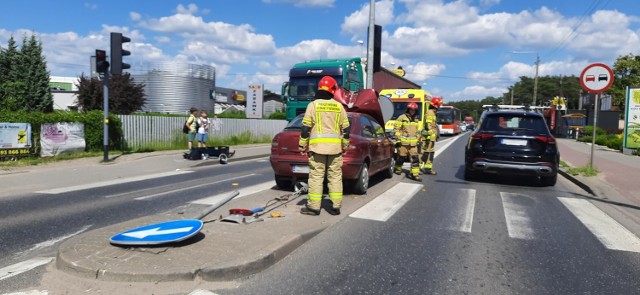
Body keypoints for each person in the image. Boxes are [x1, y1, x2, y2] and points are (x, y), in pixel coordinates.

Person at [298, 76, 350, 216]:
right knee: (335, 177)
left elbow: (305, 128)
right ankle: (335, 206)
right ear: (333, 90)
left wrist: (302, 145)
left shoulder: (313, 105)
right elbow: (346, 129)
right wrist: (345, 145)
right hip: (335, 150)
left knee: (316, 177)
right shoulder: (339, 106)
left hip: (317, 149)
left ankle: (314, 207)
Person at [394, 102, 422, 181]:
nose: (412, 111)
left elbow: (418, 131)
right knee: (401, 158)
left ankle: (415, 174)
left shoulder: (416, 119)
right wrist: (398, 140)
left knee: (415, 159)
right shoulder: (402, 117)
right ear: (408, 109)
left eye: (414, 110)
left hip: (413, 144)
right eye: (411, 109)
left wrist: (418, 139)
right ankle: (398, 169)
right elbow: (397, 129)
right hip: (403, 143)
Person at [420, 96, 442, 175]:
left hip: (432, 137)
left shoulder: (434, 112)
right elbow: (428, 124)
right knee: (424, 153)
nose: (439, 106)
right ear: (435, 105)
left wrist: (436, 134)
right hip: (428, 137)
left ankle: (428, 169)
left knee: (431, 153)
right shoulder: (430, 112)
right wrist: (430, 133)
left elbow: (434, 125)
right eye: (438, 105)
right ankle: (417, 168)